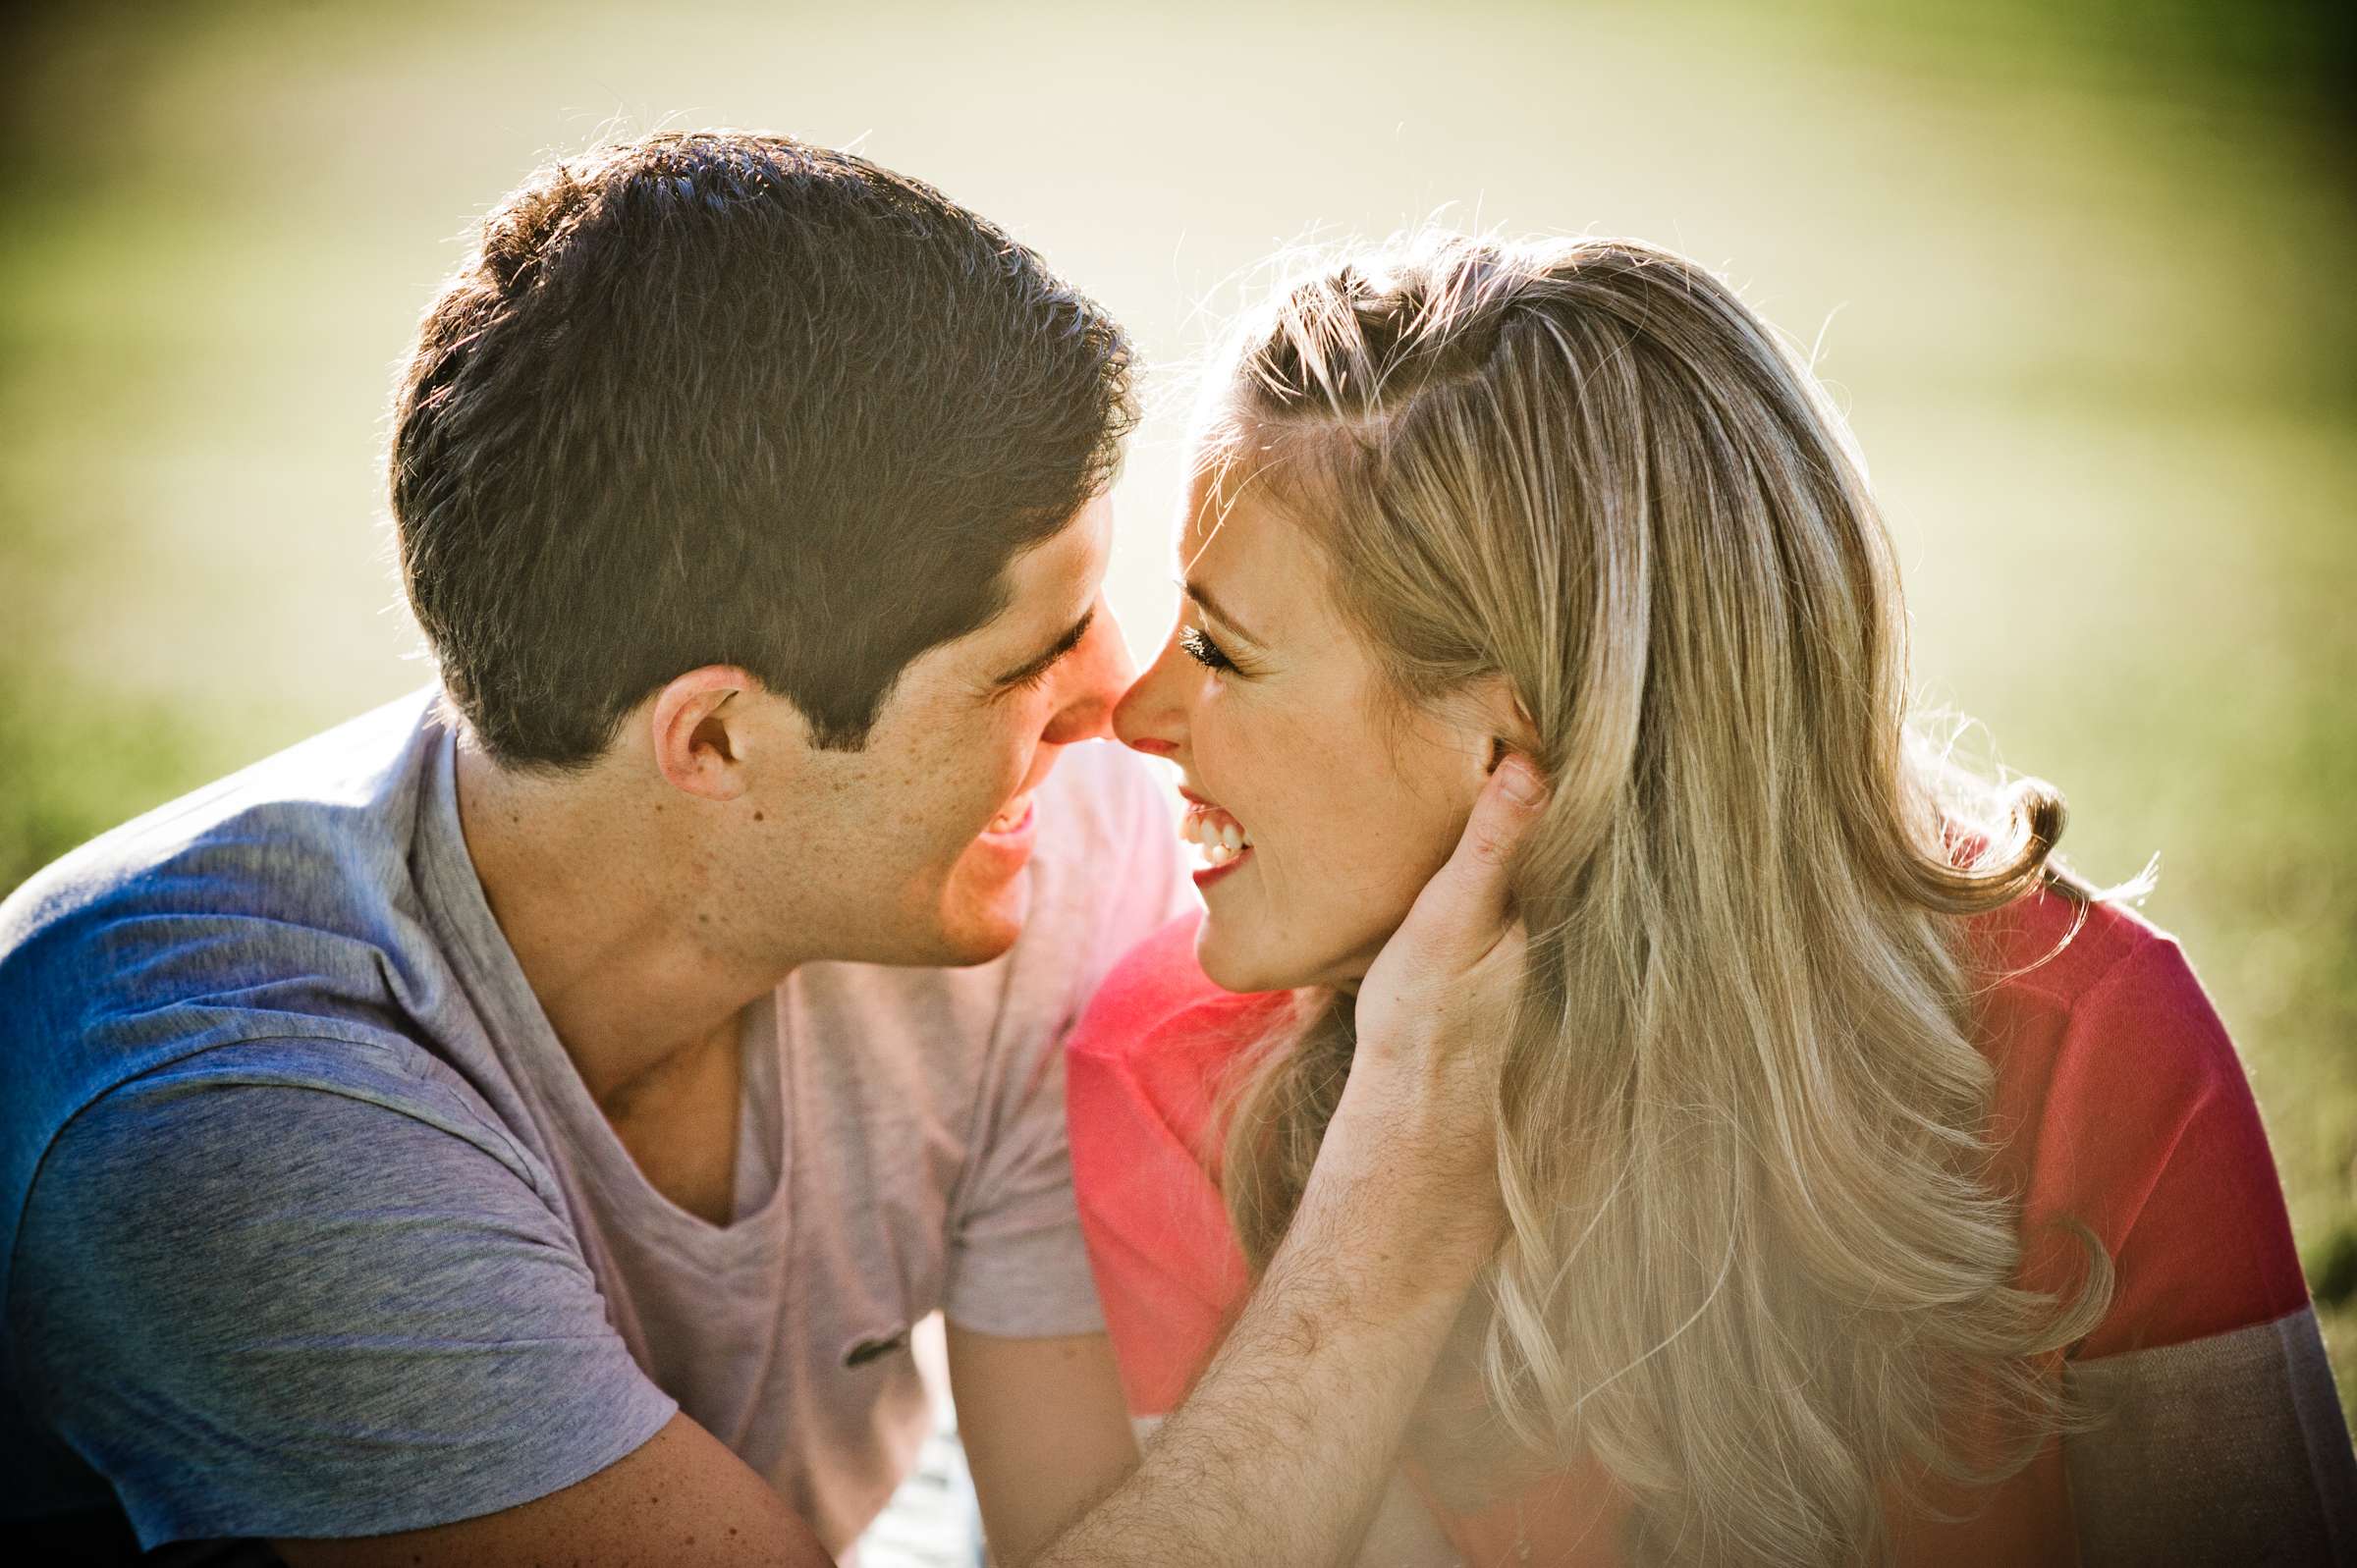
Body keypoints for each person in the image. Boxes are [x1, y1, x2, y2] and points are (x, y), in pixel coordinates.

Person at [0, 135, 1545, 1567]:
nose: (1122, 708)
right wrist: (1397, 1208)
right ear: (720, 741)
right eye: (1028, 663)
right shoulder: (225, 1119)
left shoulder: (1023, 862)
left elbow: (1089, 1531)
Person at [1071, 232, 2357, 1565]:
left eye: (1219, 648)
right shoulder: (1174, 1075)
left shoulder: (2092, 1040)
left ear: (1523, 748)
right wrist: (1391, 1188)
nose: (1136, 708)